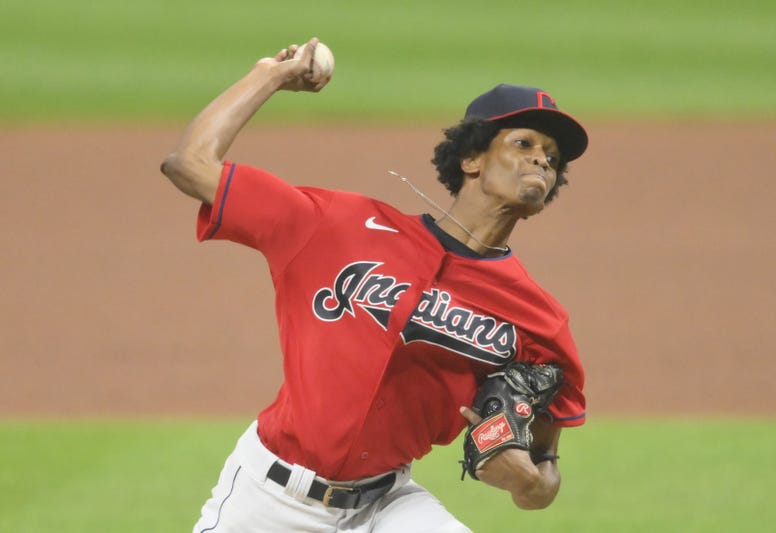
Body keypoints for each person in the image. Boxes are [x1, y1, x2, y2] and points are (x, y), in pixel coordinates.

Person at [161, 38, 587, 533]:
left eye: (552, 158)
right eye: (523, 143)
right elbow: (188, 164)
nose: (541, 161)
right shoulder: (335, 225)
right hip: (268, 500)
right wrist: (270, 76)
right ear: (471, 160)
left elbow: (545, 467)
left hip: (387, 508)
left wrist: (531, 483)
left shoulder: (539, 318)